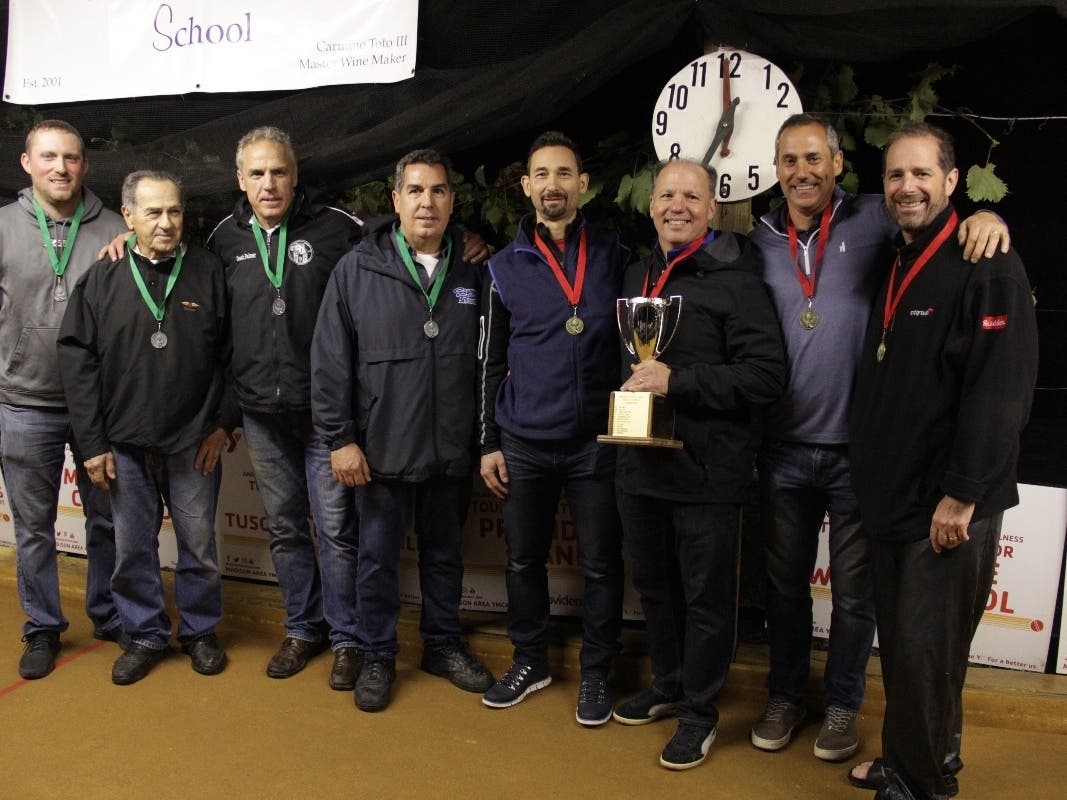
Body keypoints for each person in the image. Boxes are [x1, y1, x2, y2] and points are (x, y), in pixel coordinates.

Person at [746, 113, 1012, 763]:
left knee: (856, 594)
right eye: (789, 160)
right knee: (782, 588)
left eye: (814, 158)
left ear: (837, 164)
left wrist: (987, 217)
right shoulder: (756, 241)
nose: (802, 171)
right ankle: (786, 696)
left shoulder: (875, 217)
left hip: (859, 453)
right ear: (775, 169)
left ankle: (842, 704)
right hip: (783, 446)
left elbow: (938, 225)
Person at [847, 121, 1037, 800]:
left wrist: (962, 494)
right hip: (895, 498)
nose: (907, 187)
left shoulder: (989, 264)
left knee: (927, 655)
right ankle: (915, 760)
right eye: (896, 174)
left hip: (947, 505)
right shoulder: (897, 258)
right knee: (909, 651)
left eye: (922, 173)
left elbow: (1001, 388)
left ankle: (919, 786)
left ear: (952, 181)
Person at [611, 158, 786, 770]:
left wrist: (677, 380)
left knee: (707, 601)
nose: (677, 206)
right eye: (667, 195)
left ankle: (699, 712)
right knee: (655, 590)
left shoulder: (739, 281)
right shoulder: (637, 274)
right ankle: (668, 683)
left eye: (691, 196)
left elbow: (766, 377)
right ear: (651, 205)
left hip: (708, 472)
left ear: (713, 209)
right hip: (640, 465)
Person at [311, 148, 493, 712]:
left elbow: (492, 361)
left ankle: (441, 645)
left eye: (437, 191)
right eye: (415, 190)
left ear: (452, 201)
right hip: (381, 449)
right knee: (376, 560)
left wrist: (484, 440)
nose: (426, 202)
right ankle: (378, 654)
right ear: (396, 199)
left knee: (445, 556)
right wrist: (341, 439)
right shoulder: (357, 269)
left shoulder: (475, 269)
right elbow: (329, 361)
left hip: (451, 448)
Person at [57, 170, 239, 685]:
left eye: (174, 211)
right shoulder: (102, 277)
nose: (165, 222)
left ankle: (200, 631)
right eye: (153, 212)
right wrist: (92, 443)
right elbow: (77, 362)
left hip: (193, 441)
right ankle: (144, 635)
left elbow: (235, 356)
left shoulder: (208, 271)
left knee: (198, 547)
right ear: (128, 216)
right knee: (132, 548)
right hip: (123, 442)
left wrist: (222, 424)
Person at [205, 126, 363, 688]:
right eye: (257, 173)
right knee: (285, 529)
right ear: (240, 179)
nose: (268, 183)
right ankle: (303, 628)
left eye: (278, 172)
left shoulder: (338, 228)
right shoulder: (223, 238)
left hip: (326, 415)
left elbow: (400, 243)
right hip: (260, 416)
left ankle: (348, 638)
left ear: (295, 176)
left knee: (337, 530)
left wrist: (464, 240)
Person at [478, 131, 626, 725]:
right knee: (523, 561)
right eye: (541, 175)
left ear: (582, 184)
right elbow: (490, 361)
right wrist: (489, 441)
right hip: (525, 441)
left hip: (596, 441)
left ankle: (598, 672)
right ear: (526, 186)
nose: (553, 185)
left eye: (564, 174)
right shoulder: (501, 266)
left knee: (601, 565)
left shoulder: (614, 253)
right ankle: (530, 660)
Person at [0, 119, 127, 679]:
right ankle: (43, 627)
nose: (60, 167)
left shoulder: (116, 228)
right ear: (27, 163)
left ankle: (108, 612)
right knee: (33, 528)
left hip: (98, 407)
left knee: (108, 520)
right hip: (24, 402)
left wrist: (132, 246)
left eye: (71, 157)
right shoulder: (3, 227)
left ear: (84, 165)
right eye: (48, 157)